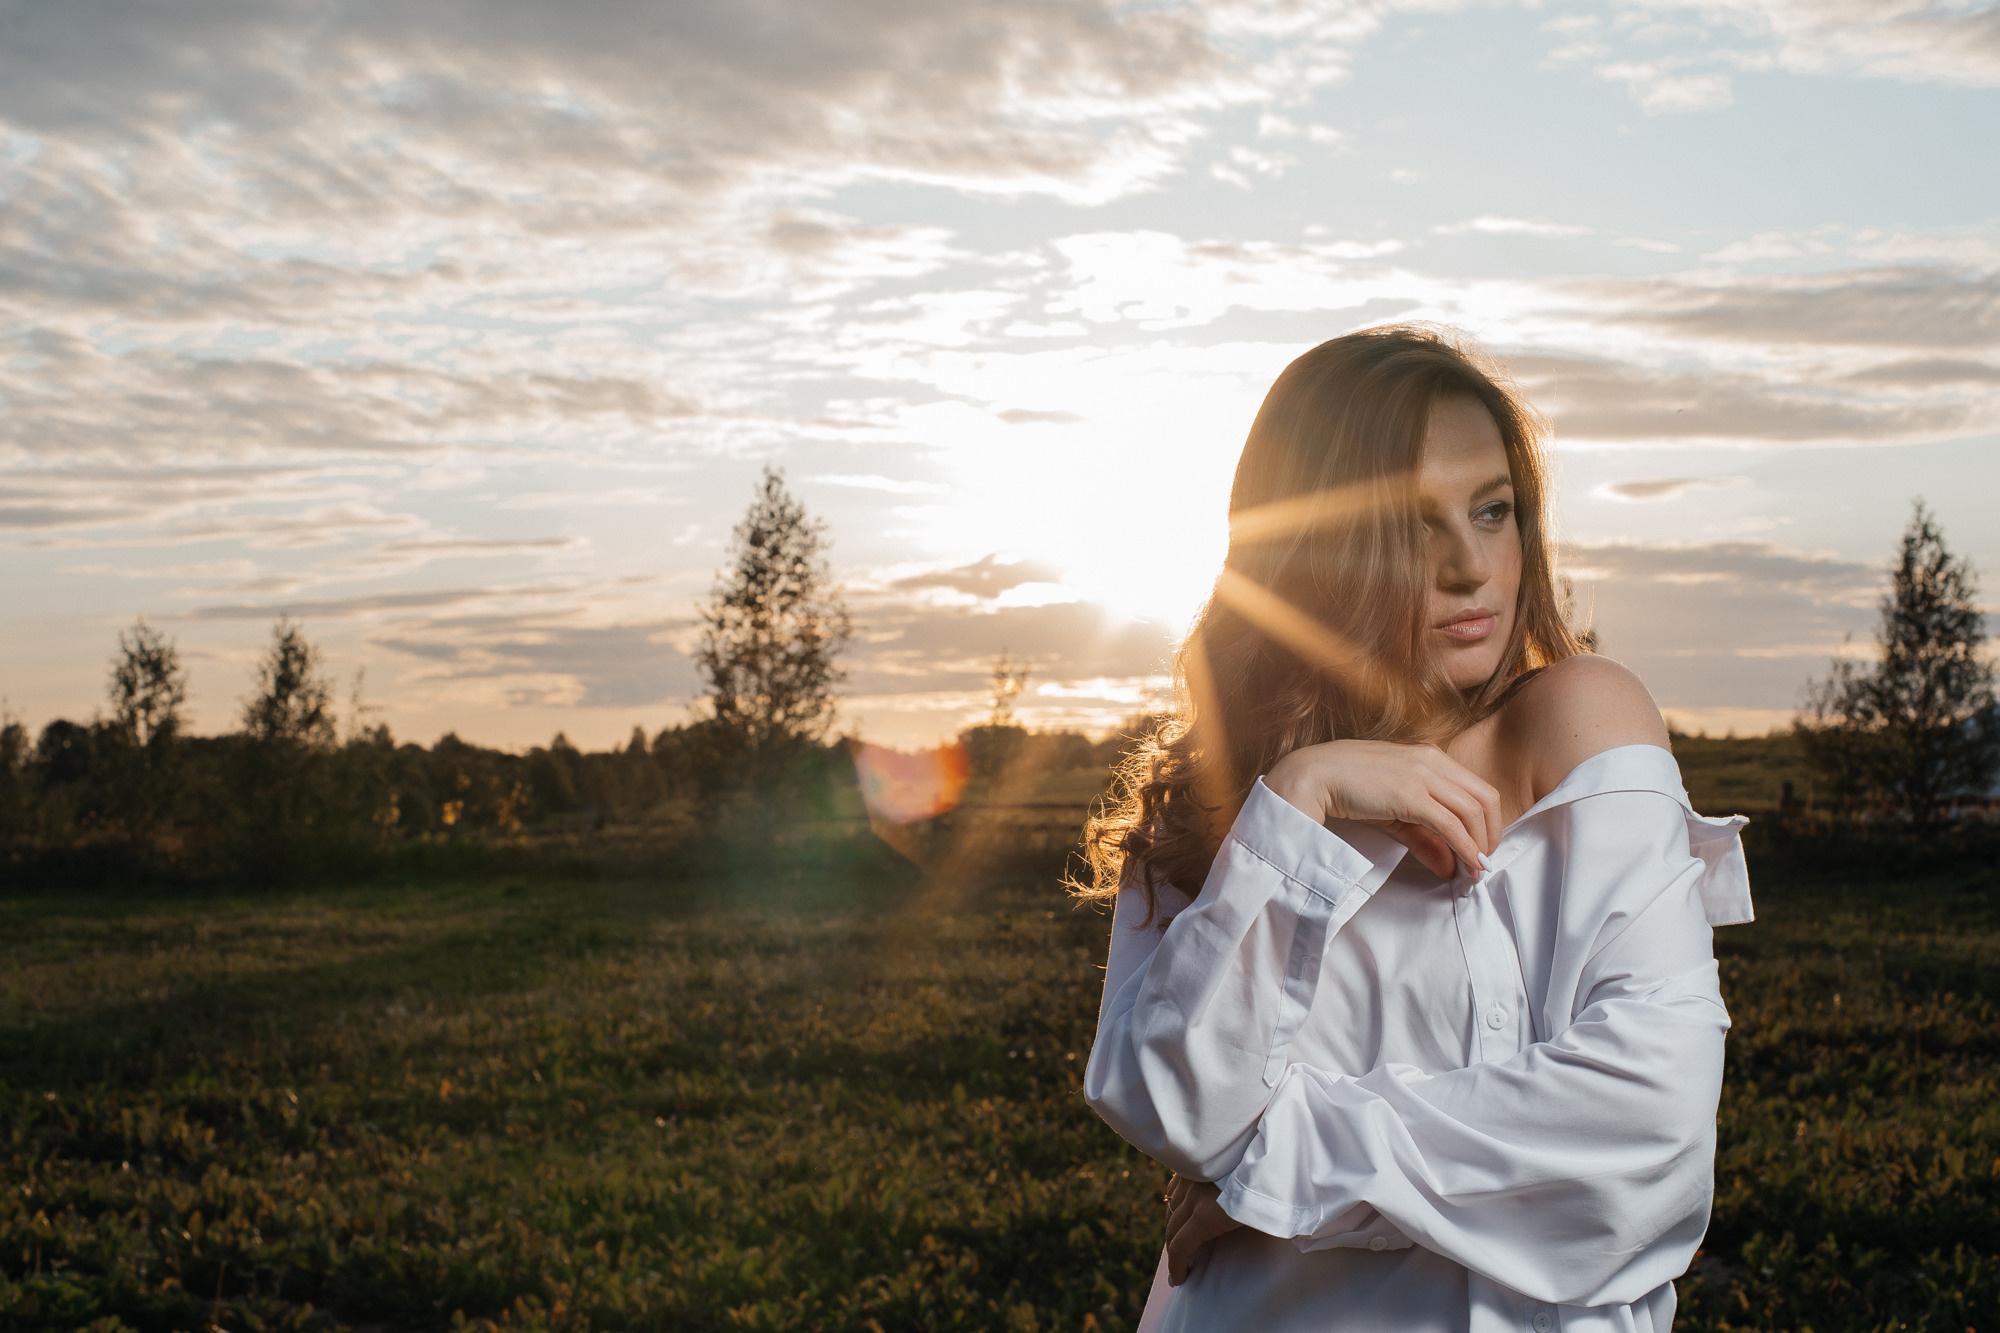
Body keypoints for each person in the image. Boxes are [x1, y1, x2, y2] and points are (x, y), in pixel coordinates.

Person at [1077, 325, 1753, 1333]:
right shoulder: (1217, 808)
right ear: (1312, 545)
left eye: (1492, 510)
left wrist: (1265, 1169)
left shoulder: (1583, 717)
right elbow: (1169, 1107)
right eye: (1409, 524)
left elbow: (1647, 1130)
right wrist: (1297, 800)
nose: (1469, 565)